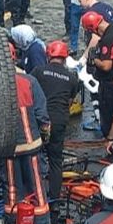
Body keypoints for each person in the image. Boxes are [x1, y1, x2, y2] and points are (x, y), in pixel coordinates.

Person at [5, 60, 53, 224]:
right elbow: (42, 114)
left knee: (12, 188)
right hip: (31, 144)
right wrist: (45, 135)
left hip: (8, 148)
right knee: (37, 187)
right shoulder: (29, 81)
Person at [34, 40, 81, 209]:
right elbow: (69, 102)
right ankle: (54, 199)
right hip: (59, 120)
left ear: (49, 55)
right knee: (55, 161)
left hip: (41, 120)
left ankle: (35, 194)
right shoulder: (71, 78)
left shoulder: (39, 71)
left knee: (35, 158)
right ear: (65, 57)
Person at [84, 10, 113, 137]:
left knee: (108, 116)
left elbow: (106, 66)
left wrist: (94, 58)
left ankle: (111, 140)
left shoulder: (107, 39)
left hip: (109, 84)